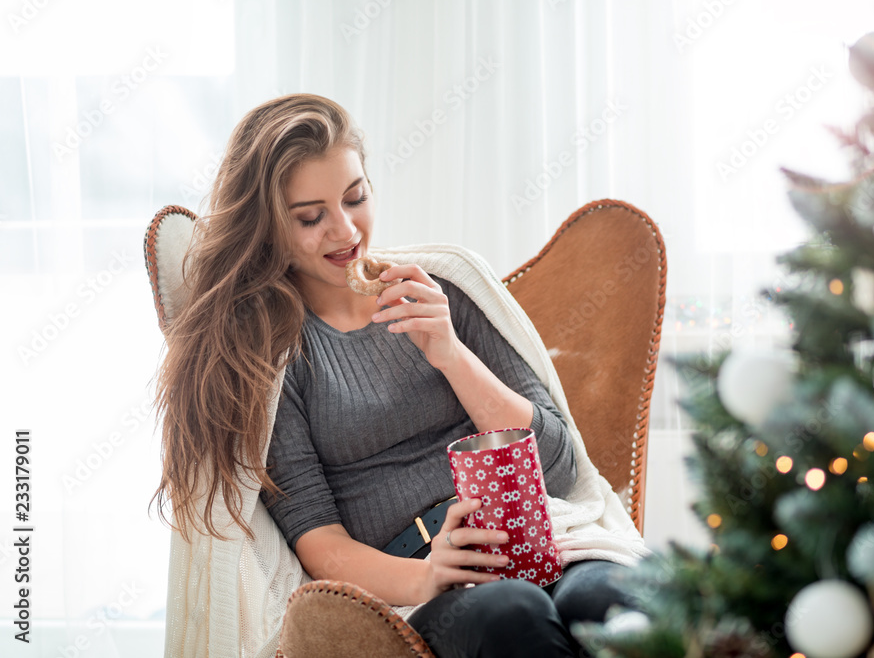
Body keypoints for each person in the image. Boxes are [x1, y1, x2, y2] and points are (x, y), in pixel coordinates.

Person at [152, 93, 647, 658]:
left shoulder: (444, 291)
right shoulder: (269, 356)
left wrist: (451, 353)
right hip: (415, 576)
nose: (345, 231)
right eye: (310, 217)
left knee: (616, 599)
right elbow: (317, 541)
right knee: (512, 612)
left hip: (543, 531)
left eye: (355, 197)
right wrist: (429, 575)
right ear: (267, 227)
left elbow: (558, 468)